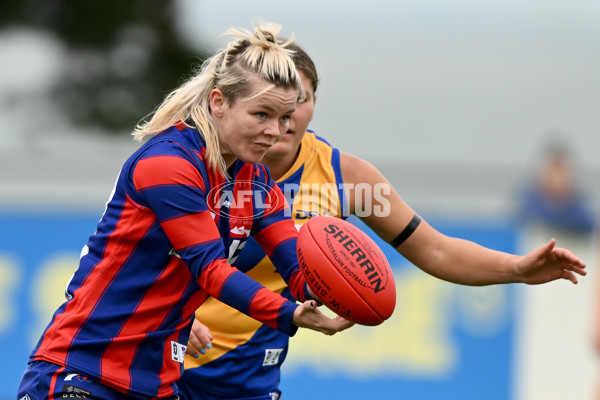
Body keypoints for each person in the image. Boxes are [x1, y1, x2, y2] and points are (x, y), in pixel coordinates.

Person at [178, 43, 588, 400]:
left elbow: (435, 249)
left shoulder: (346, 178)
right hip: (170, 355)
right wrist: (176, 312)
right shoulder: (198, 162)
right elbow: (135, 251)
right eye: (269, 105)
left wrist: (515, 268)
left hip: (246, 376)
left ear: (315, 103)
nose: (283, 118)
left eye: (299, 101)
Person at [16, 23, 353, 400]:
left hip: (158, 385)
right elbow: (210, 270)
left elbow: (295, 264)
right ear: (218, 102)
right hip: (82, 373)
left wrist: (340, 291)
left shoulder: (253, 180)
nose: (275, 131)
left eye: (284, 117)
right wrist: (288, 315)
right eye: (262, 114)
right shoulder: (169, 163)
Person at [518, 139, 595, 235]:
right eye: (553, 171)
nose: (557, 178)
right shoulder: (528, 204)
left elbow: (588, 225)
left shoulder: (579, 207)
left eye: (561, 171)